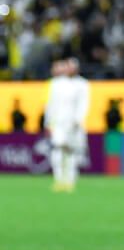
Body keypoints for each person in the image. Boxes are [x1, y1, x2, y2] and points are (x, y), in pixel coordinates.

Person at [44, 58, 90, 192]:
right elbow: (51, 103)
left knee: (71, 151)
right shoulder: (56, 83)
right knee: (57, 149)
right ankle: (58, 179)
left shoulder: (82, 84)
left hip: (74, 124)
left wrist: (78, 119)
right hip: (58, 122)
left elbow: (84, 104)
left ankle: (70, 179)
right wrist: (48, 121)